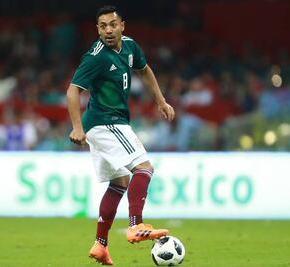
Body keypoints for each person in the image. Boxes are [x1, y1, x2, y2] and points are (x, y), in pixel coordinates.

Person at [66, 5, 175, 265]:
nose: (108, 30)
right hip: (105, 121)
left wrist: (160, 101)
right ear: (97, 29)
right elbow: (72, 90)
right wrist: (76, 127)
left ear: (122, 25)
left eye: (112, 24)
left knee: (119, 184)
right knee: (144, 168)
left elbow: (145, 70)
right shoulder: (96, 56)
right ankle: (136, 225)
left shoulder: (130, 47)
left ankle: (100, 245)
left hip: (107, 123)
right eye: (102, 26)